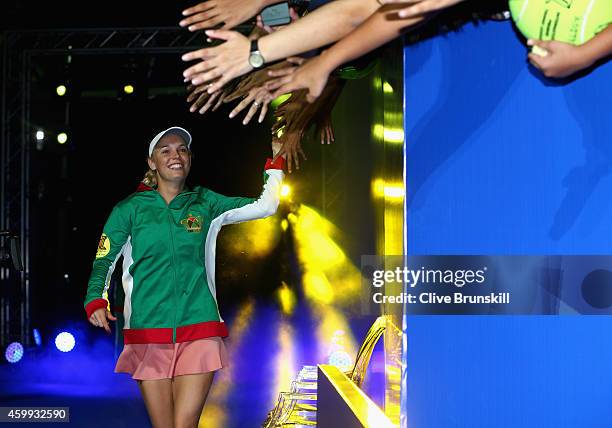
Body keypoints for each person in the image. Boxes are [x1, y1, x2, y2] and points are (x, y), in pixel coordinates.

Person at [84, 127, 285, 428]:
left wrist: (277, 161)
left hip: (199, 327)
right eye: (165, 150)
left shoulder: (206, 203)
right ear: (151, 162)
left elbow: (266, 205)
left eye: (182, 149)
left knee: (185, 425)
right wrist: (95, 299)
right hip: (148, 332)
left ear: (190, 159)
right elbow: (104, 259)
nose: (175, 155)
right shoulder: (129, 210)